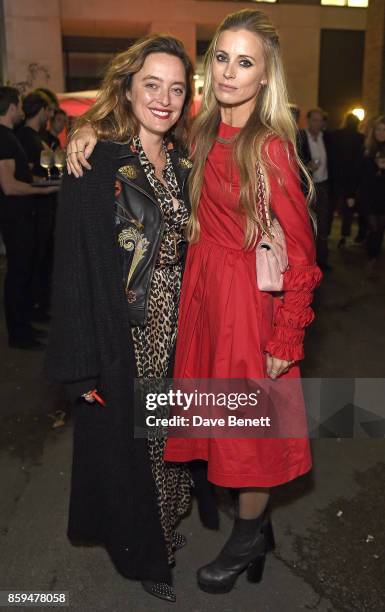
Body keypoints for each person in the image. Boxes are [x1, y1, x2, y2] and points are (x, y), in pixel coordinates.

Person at [66, 8, 323, 596]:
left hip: (246, 314)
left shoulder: (270, 148)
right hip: (201, 303)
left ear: (265, 78)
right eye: (222, 59)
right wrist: (90, 129)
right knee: (216, 432)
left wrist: (287, 338)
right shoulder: (201, 130)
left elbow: (304, 257)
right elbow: (142, 131)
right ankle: (256, 527)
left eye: (246, 62)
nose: (230, 73)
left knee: (248, 440)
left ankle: (248, 536)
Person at [46, 35, 195, 603]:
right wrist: (80, 370)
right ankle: (147, 553)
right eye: (151, 84)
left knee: (173, 441)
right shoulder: (98, 160)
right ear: (127, 89)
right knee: (137, 448)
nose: (164, 98)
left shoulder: (185, 160)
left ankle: (167, 527)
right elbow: (73, 268)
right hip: (126, 333)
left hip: (185, 328)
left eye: (176, 88)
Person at [0, 87, 57, 349]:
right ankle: (19, 334)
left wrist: (46, 184)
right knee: (18, 274)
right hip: (15, 218)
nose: (22, 111)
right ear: (11, 107)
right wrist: (44, 188)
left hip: (23, 216)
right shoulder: (4, 138)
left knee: (24, 272)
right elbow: (10, 186)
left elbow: (23, 178)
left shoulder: (10, 136)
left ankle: (24, 326)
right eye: (19, 105)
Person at [17, 93, 55, 321]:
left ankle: (38, 308)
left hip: (42, 208)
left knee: (41, 261)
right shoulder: (25, 136)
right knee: (32, 264)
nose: (50, 115)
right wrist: (44, 183)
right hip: (32, 210)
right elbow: (25, 173)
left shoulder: (34, 136)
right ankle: (32, 311)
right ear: (41, 110)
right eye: (48, 110)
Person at [298, 108, 333, 271]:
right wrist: (306, 167)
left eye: (320, 120)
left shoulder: (327, 138)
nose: (317, 124)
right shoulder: (300, 136)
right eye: (314, 120)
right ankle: (307, 261)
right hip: (306, 187)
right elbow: (293, 161)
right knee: (307, 225)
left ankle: (322, 260)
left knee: (324, 224)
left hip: (324, 186)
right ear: (308, 121)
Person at [329, 113, 365, 248]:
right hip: (352, 179)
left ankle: (326, 234)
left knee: (331, 207)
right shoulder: (360, 138)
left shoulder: (335, 135)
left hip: (336, 176)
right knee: (348, 210)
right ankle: (344, 235)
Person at [358, 115, 385, 276]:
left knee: (380, 228)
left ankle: (373, 254)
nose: (382, 133)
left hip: (383, 195)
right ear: (374, 131)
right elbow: (359, 172)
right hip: (368, 195)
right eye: (379, 129)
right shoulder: (367, 147)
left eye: (384, 130)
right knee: (374, 226)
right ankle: (371, 256)